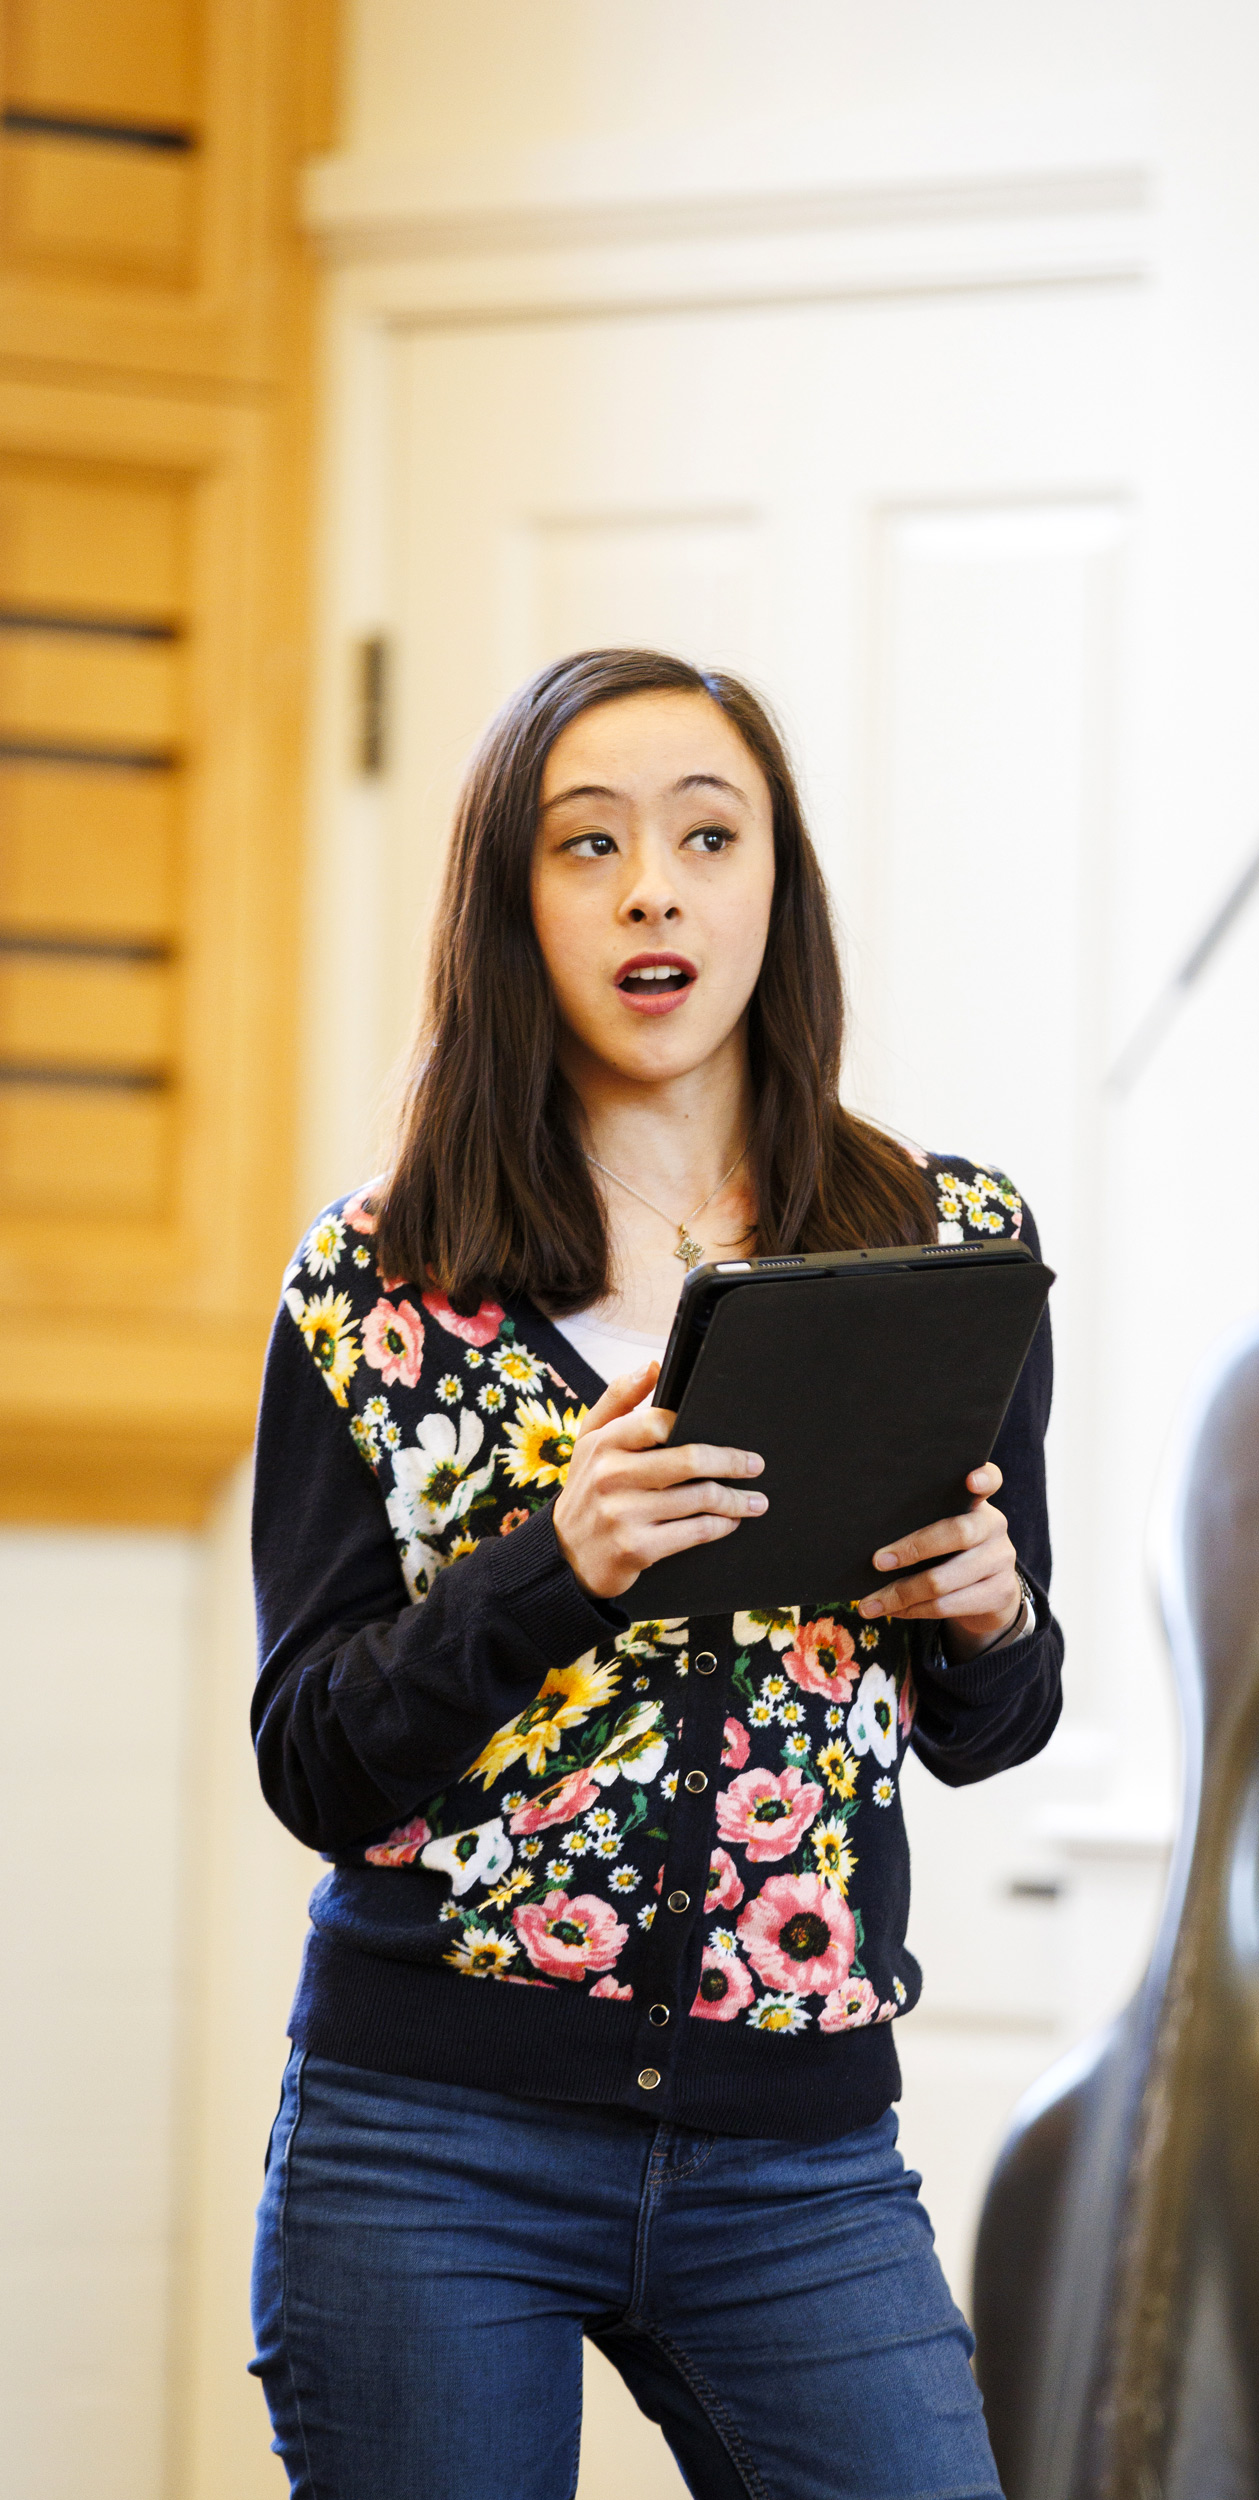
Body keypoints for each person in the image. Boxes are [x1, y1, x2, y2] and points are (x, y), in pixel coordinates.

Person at [249, 647, 1064, 2498]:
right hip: (429, 2143)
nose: (654, 890)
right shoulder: (374, 1286)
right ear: (507, 904)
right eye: (587, 845)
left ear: (778, 884)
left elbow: (993, 1732)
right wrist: (555, 1563)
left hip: (803, 2162)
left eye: (711, 837)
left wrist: (994, 1615)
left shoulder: (945, 1241)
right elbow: (312, 1760)